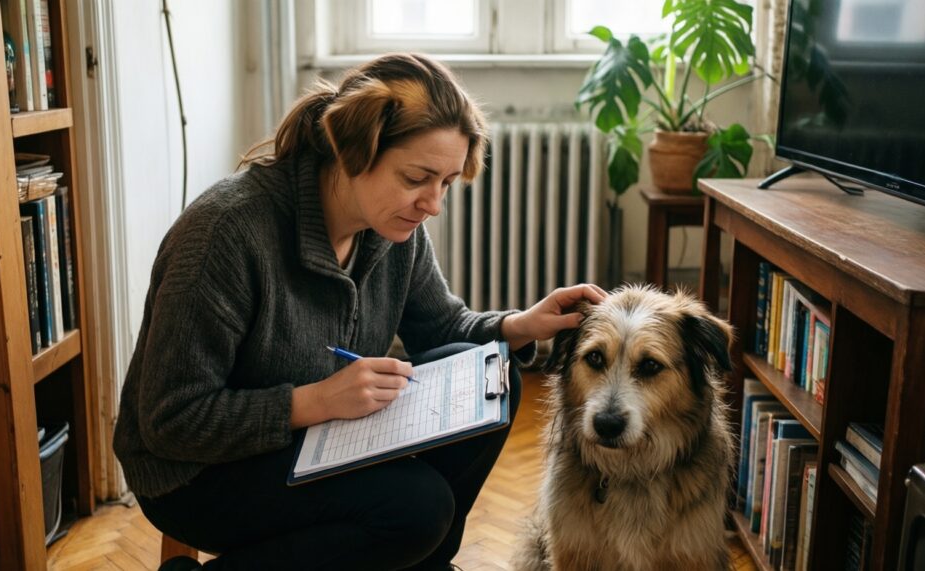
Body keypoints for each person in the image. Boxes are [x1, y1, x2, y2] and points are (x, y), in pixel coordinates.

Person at [113, 53, 606, 571]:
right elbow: (172, 421)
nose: (432, 204)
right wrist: (315, 401)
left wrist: (520, 324)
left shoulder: (392, 230)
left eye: (444, 183)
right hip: (197, 475)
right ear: (350, 152)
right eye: (417, 177)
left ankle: (423, 565)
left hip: (317, 438)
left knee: (491, 373)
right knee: (417, 509)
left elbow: (441, 327)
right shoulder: (226, 234)